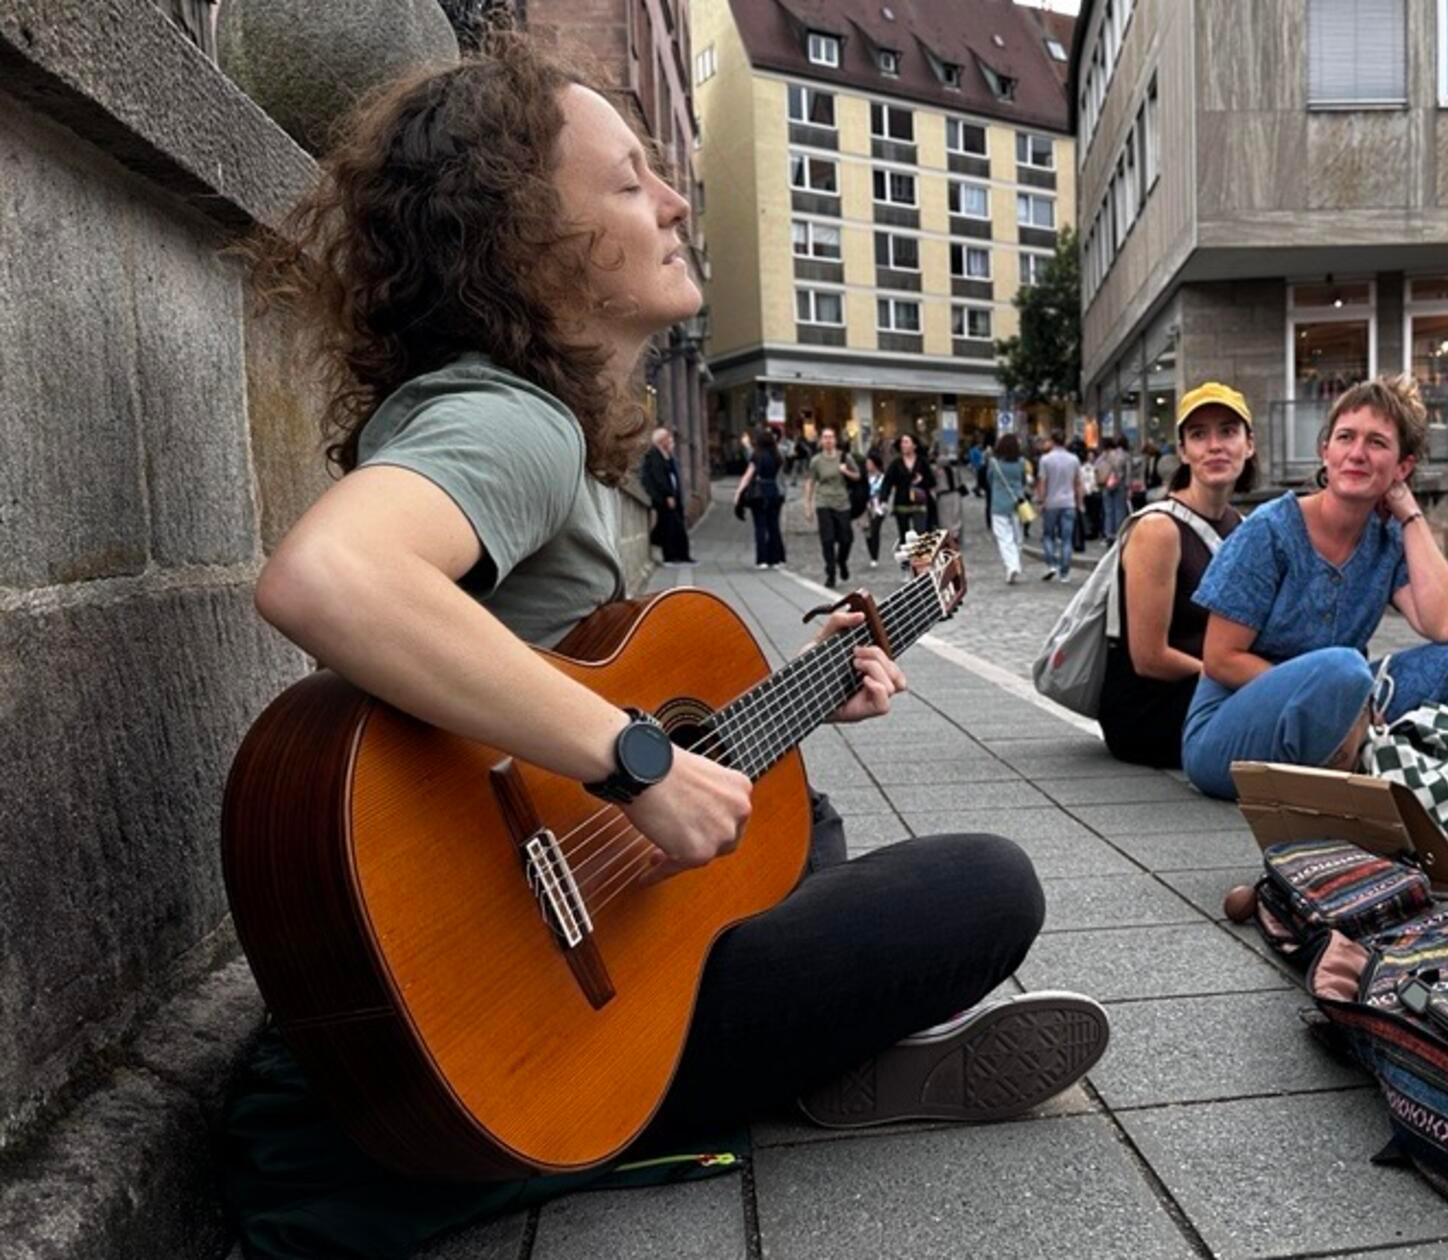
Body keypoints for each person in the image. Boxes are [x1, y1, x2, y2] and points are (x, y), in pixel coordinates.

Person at [235, 37, 1102, 1247]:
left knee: (789, 814)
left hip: (509, 920)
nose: (676, 203)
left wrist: (799, 693)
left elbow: (581, 664)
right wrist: (634, 762)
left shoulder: (522, 417)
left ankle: (772, 1052)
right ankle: (703, 1083)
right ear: (524, 235)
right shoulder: (517, 423)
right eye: (629, 181)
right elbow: (332, 576)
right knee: (988, 887)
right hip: (509, 981)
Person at [1181, 375, 1448, 801]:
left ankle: (1350, 761)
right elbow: (1220, 659)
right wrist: (1335, 695)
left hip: (1342, 698)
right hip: (1228, 731)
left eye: (1377, 443)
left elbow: (1446, 625)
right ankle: (1353, 765)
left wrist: (1410, 515)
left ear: (1402, 467)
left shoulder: (1387, 541)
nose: (1357, 453)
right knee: (1344, 669)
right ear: (1326, 451)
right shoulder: (1270, 530)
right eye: (1345, 438)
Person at [1100, 384, 1254, 769]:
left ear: (1249, 445)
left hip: (1214, 693)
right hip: (1153, 708)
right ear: (1184, 452)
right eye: (1199, 435)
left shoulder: (1245, 528)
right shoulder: (1159, 529)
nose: (1215, 446)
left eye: (1228, 432)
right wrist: (1245, 680)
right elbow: (1149, 658)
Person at [803, 427, 860, 586]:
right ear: (821, 441)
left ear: (835, 440)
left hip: (842, 502)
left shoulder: (844, 457)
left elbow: (857, 475)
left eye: (831, 437)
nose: (828, 440)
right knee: (827, 539)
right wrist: (808, 506)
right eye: (825, 437)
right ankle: (831, 572)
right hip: (824, 502)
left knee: (846, 539)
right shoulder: (816, 461)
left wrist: (846, 472)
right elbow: (810, 482)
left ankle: (841, 561)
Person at [731, 428, 787, 569]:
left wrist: (738, 492)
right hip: (774, 491)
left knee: (760, 526)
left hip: (759, 493)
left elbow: (748, 475)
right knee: (774, 526)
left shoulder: (757, 456)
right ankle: (775, 559)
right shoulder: (777, 456)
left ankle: (762, 559)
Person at [984, 432, 1035, 584]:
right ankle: (1015, 563)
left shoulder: (994, 463)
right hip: (1018, 503)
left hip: (999, 504)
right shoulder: (1021, 463)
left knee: (1003, 537)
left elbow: (989, 480)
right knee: (1017, 536)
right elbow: (1024, 480)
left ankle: (1011, 565)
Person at [639, 425, 692, 565]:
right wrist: (668, 495)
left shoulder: (666, 455)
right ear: (662, 440)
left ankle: (682, 555)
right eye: (668, 439)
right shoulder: (654, 455)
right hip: (663, 497)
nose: (671, 441)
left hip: (673, 496)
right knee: (669, 526)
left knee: (677, 526)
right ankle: (670, 555)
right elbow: (659, 477)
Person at [1036, 433, 1082, 582]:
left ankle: (1051, 564)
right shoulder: (1074, 459)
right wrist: (1080, 502)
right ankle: (1065, 573)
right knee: (1066, 539)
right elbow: (1077, 483)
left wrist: (1041, 501)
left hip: (1051, 502)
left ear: (1052, 441)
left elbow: (1043, 482)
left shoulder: (1045, 459)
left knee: (1048, 535)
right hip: (1068, 502)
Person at [882, 432, 941, 541]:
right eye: (902, 442)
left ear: (914, 446)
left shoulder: (922, 462)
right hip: (901, 503)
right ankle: (906, 552)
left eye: (906, 442)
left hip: (920, 502)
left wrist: (922, 480)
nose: (903, 445)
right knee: (904, 536)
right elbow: (887, 482)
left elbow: (932, 482)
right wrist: (884, 500)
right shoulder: (896, 463)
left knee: (921, 535)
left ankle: (920, 551)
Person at [1093, 435, 1132, 543]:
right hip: (1119, 484)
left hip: (1106, 484)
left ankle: (1109, 534)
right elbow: (1128, 472)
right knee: (1120, 509)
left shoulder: (1103, 456)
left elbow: (1096, 467)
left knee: (1108, 511)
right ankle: (1119, 533)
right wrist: (1128, 486)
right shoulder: (1124, 455)